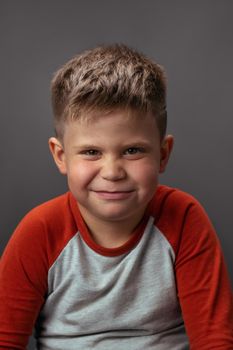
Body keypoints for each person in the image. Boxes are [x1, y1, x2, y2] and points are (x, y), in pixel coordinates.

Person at [0, 44, 232, 350]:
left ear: (163, 154)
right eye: (91, 152)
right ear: (61, 156)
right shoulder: (40, 230)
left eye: (132, 150)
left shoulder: (184, 217)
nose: (112, 171)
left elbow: (214, 341)